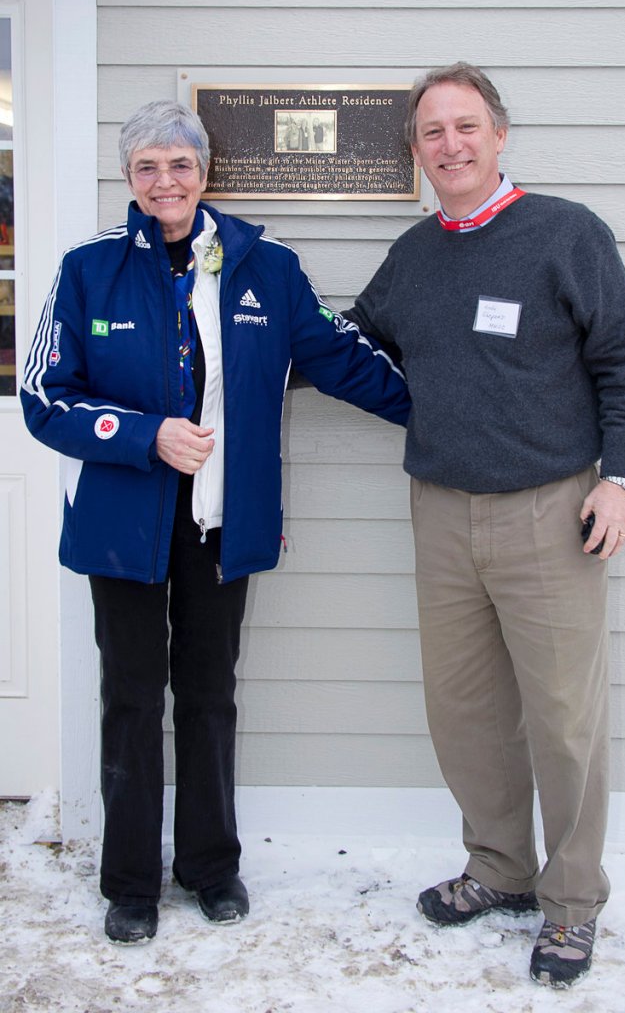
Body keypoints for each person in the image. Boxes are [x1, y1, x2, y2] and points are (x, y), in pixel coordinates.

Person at [21, 100, 409, 946]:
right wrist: (141, 432)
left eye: (180, 164)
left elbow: (339, 359)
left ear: (205, 173)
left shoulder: (264, 266)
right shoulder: (89, 270)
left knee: (207, 695)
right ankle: (128, 880)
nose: (166, 181)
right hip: (122, 524)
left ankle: (209, 865)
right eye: (147, 167)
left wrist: (443, 413)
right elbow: (43, 399)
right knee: (128, 697)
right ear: (129, 179)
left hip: (221, 524)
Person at [344, 62, 625, 989]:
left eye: (466, 126)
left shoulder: (566, 234)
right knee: (467, 714)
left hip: (551, 514)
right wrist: (253, 338)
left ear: (499, 134)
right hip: (440, 514)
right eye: (432, 131)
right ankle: (500, 868)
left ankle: (571, 905)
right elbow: (356, 341)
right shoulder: (414, 254)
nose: (451, 144)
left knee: (565, 720)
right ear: (416, 150)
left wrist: (623, 480)